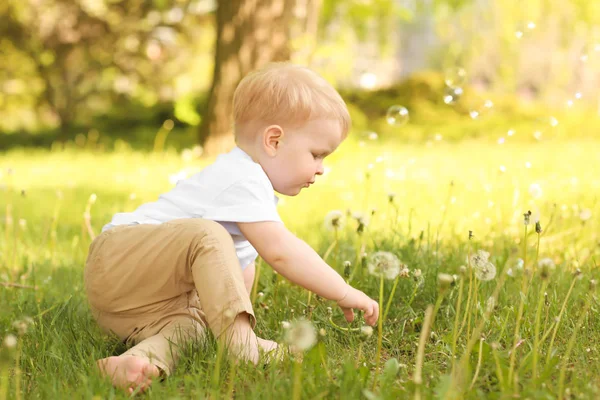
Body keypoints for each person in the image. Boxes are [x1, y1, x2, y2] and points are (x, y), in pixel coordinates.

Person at [85, 62, 380, 394]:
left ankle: (138, 362)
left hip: (137, 303)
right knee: (209, 234)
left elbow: (235, 275)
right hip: (119, 257)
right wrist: (341, 290)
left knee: (194, 329)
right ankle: (243, 346)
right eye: (316, 154)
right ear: (274, 140)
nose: (321, 169)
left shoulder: (249, 198)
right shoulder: (242, 177)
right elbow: (281, 253)